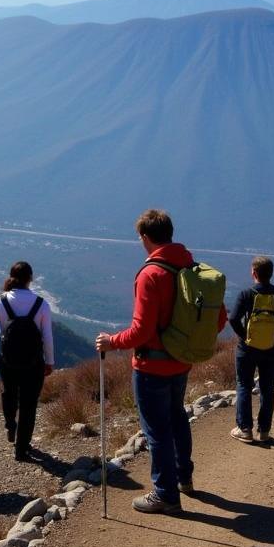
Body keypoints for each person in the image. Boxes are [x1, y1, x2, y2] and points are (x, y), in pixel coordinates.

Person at [95, 209, 227, 515]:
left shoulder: (151, 274)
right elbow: (218, 318)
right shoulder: (192, 268)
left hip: (151, 366)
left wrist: (110, 342)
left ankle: (165, 494)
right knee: (177, 418)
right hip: (181, 362)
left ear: (144, 237)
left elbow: (141, 331)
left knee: (156, 431)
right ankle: (184, 478)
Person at [0, 261, 54, 461]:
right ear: (30, 279)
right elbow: (47, 336)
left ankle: (10, 424)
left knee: (9, 392)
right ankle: (22, 449)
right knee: (29, 404)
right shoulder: (41, 304)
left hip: (8, 360)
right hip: (33, 362)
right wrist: (49, 361)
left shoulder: (0, 301)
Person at [228, 256, 274, 444]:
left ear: (254, 273)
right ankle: (264, 431)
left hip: (247, 349)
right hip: (271, 350)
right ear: (271, 274)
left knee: (244, 385)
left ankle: (245, 429)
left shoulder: (246, 295)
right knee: (267, 389)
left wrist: (245, 337)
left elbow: (233, 319)